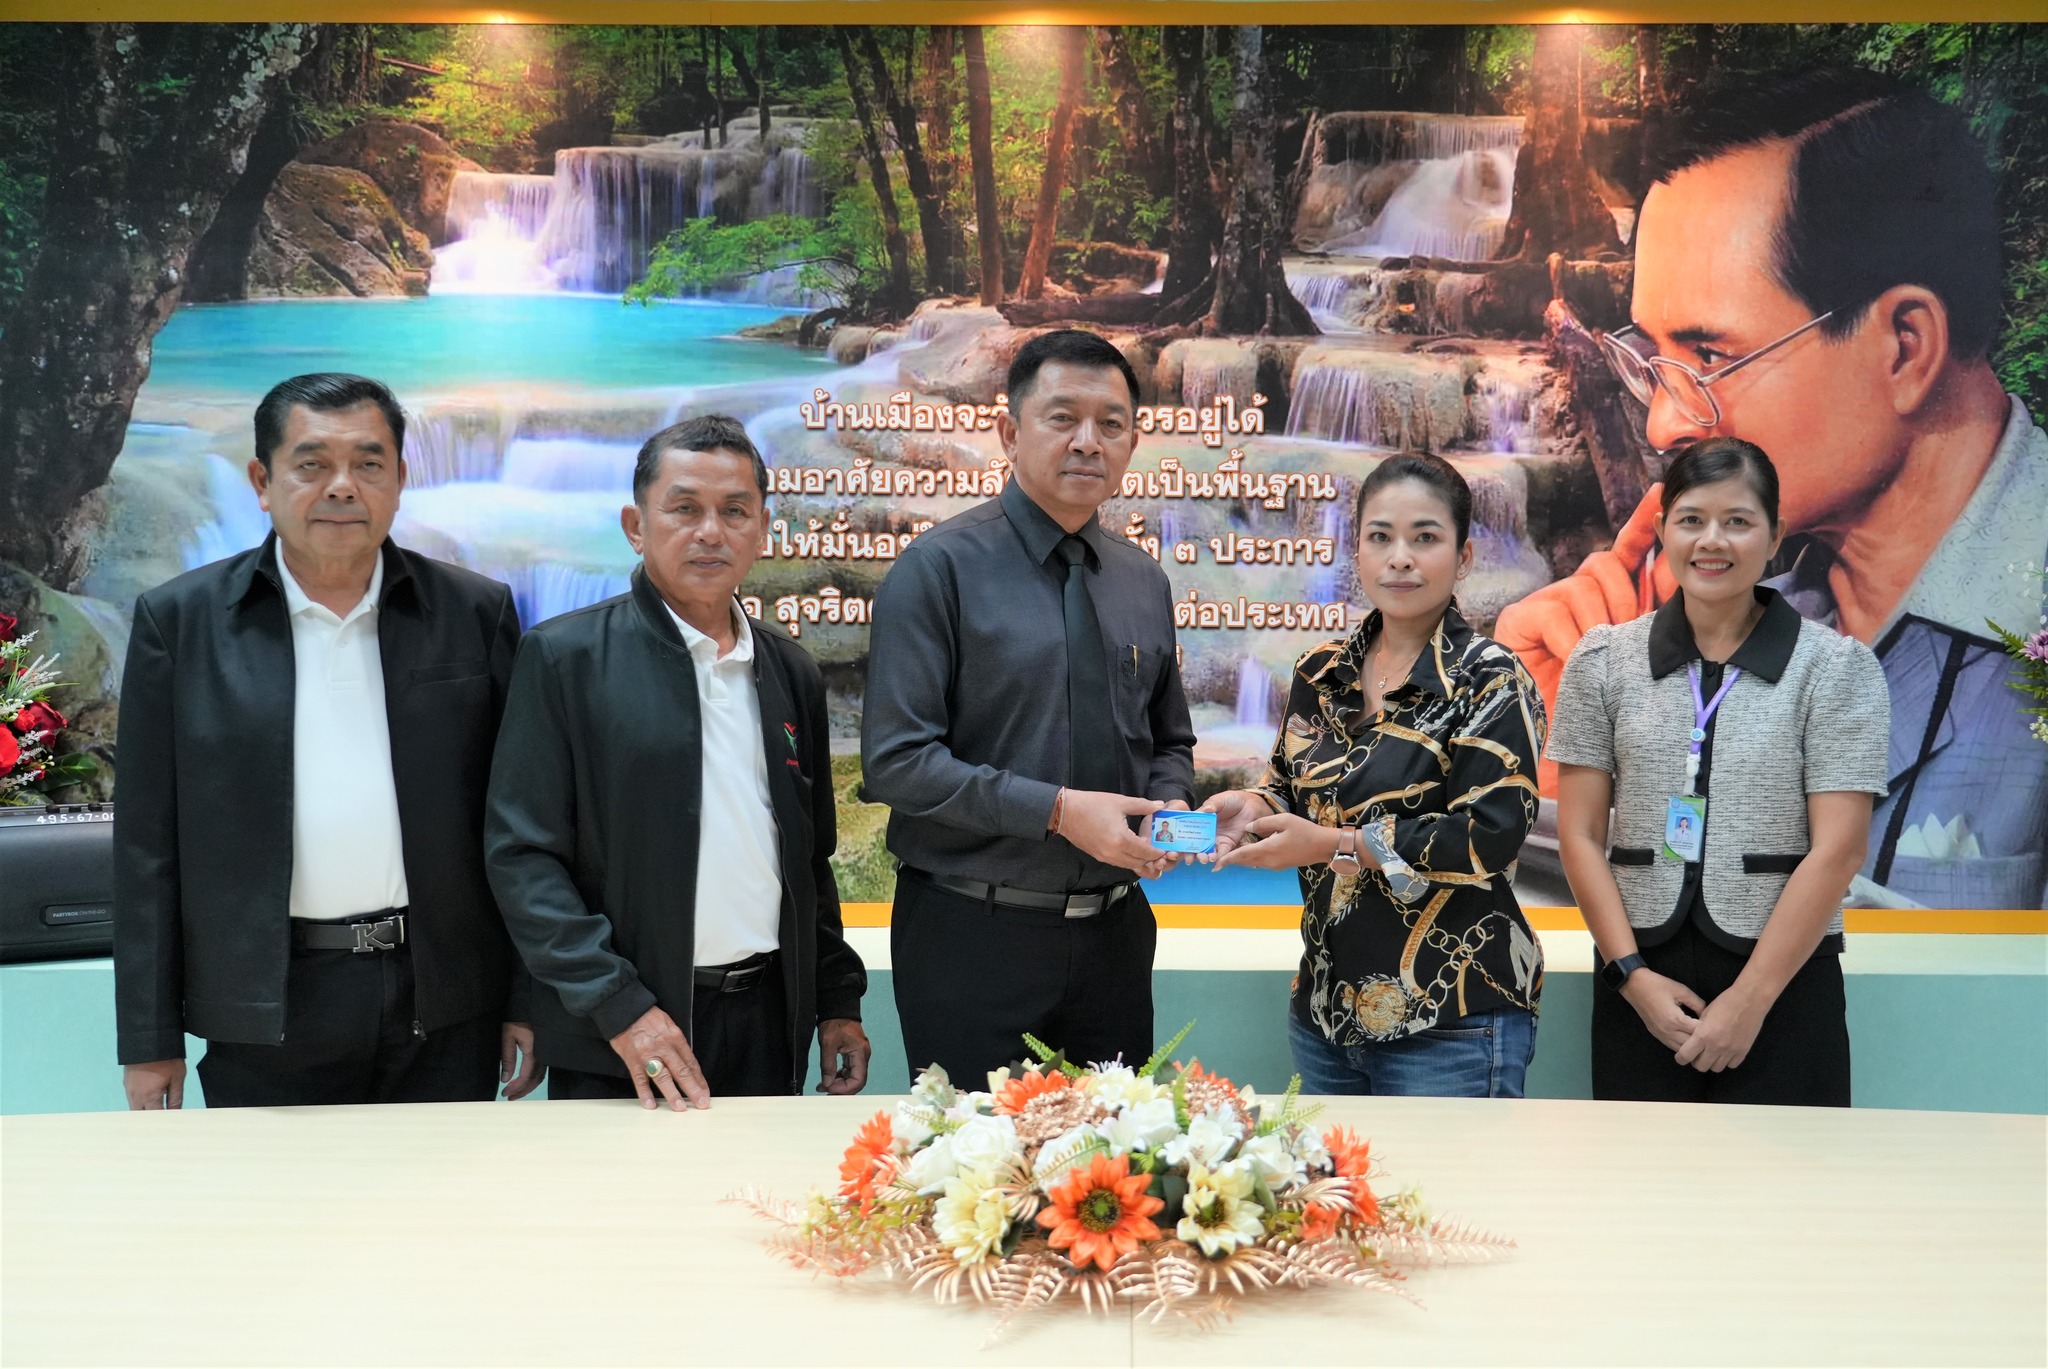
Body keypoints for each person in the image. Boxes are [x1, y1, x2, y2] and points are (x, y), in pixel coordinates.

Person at [1494, 68, 2048, 909]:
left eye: (1710, 359)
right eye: (1653, 362)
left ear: (1904, 347)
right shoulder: (1714, 628)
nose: (1663, 426)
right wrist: (1557, 760)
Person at [113, 373, 538, 1109]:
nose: (342, 487)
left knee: (448, 1185)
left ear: (400, 480)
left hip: (444, 998)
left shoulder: (475, 612)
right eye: (312, 465)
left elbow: (522, 823)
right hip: (268, 1000)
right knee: (277, 1188)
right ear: (262, 481)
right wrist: (149, 1038)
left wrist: (526, 997)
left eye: (369, 464)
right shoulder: (180, 623)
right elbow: (148, 845)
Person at [485, 415, 869, 1110]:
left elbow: (809, 857)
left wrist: (837, 999)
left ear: (763, 528)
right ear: (636, 526)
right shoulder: (565, 659)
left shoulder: (790, 670)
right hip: (619, 1031)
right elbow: (523, 858)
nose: (710, 532)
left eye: (735, 512)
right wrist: (619, 1006)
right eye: (684, 509)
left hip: (766, 1020)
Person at [862, 328, 1197, 1085]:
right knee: (975, 1156)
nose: (1088, 441)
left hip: (1115, 938)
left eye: (1111, 423)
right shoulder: (936, 570)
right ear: (1010, 432)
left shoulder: (1142, 581)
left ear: (1133, 441)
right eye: (1063, 418)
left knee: (1117, 1154)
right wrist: (1057, 811)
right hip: (970, 935)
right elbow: (897, 762)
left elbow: (1168, 738)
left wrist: (1171, 804)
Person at [1548, 438, 1890, 1106]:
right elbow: (1580, 834)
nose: (1712, 540)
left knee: (1787, 1172)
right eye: (1692, 519)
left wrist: (1749, 1001)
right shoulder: (1603, 661)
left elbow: (1840, 847)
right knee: (1641, 1173)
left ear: (1775, 536)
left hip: (1785, 984)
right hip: (1640, 981)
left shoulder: (1836, 669)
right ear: (1662, 529)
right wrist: (1631, 977)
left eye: (1737, 521)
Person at [1200, 454, 1547, 1098]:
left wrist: (1339, 845)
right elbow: (1288, 784)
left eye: (1425, 537)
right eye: (1380, 537)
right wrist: (1253, 805)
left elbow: (1488, 836)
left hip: (1451, 1018)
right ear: (1356, 551)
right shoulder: (1320, 671)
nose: (1400, 558)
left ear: (1464, 557)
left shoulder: (1491, 679)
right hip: (1324, 1011)